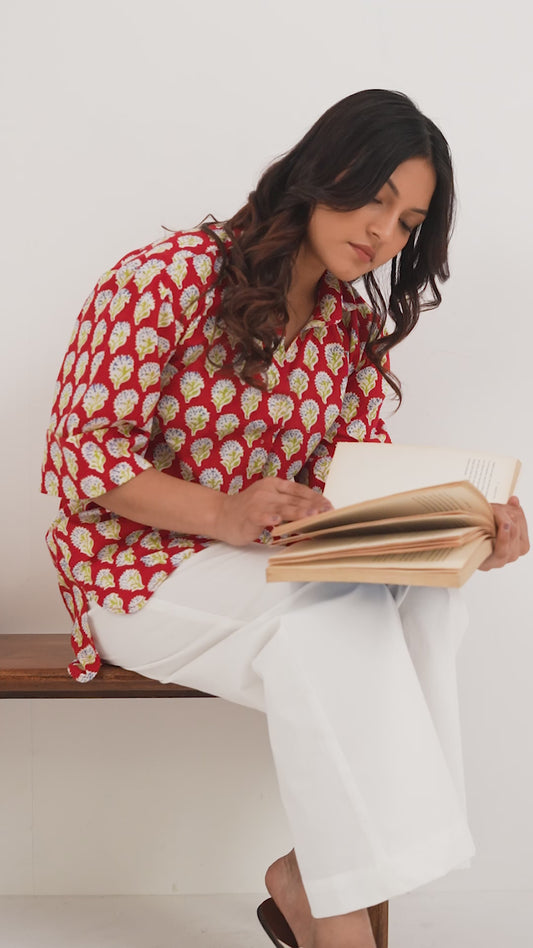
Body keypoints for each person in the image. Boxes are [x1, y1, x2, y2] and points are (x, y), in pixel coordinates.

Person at [41, 89, 529, 948]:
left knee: (427, 599)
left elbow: (355, 480)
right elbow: (82, 453)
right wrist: (223, 512)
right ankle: (336, 921)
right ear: (321, 171)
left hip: (269, 566)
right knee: (326, 622)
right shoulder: (167, 276)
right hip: (130, 569)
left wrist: (461, 531)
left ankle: (313, 873)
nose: (384, 234)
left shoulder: (345, 324)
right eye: (375, 197)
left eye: (409, 221)